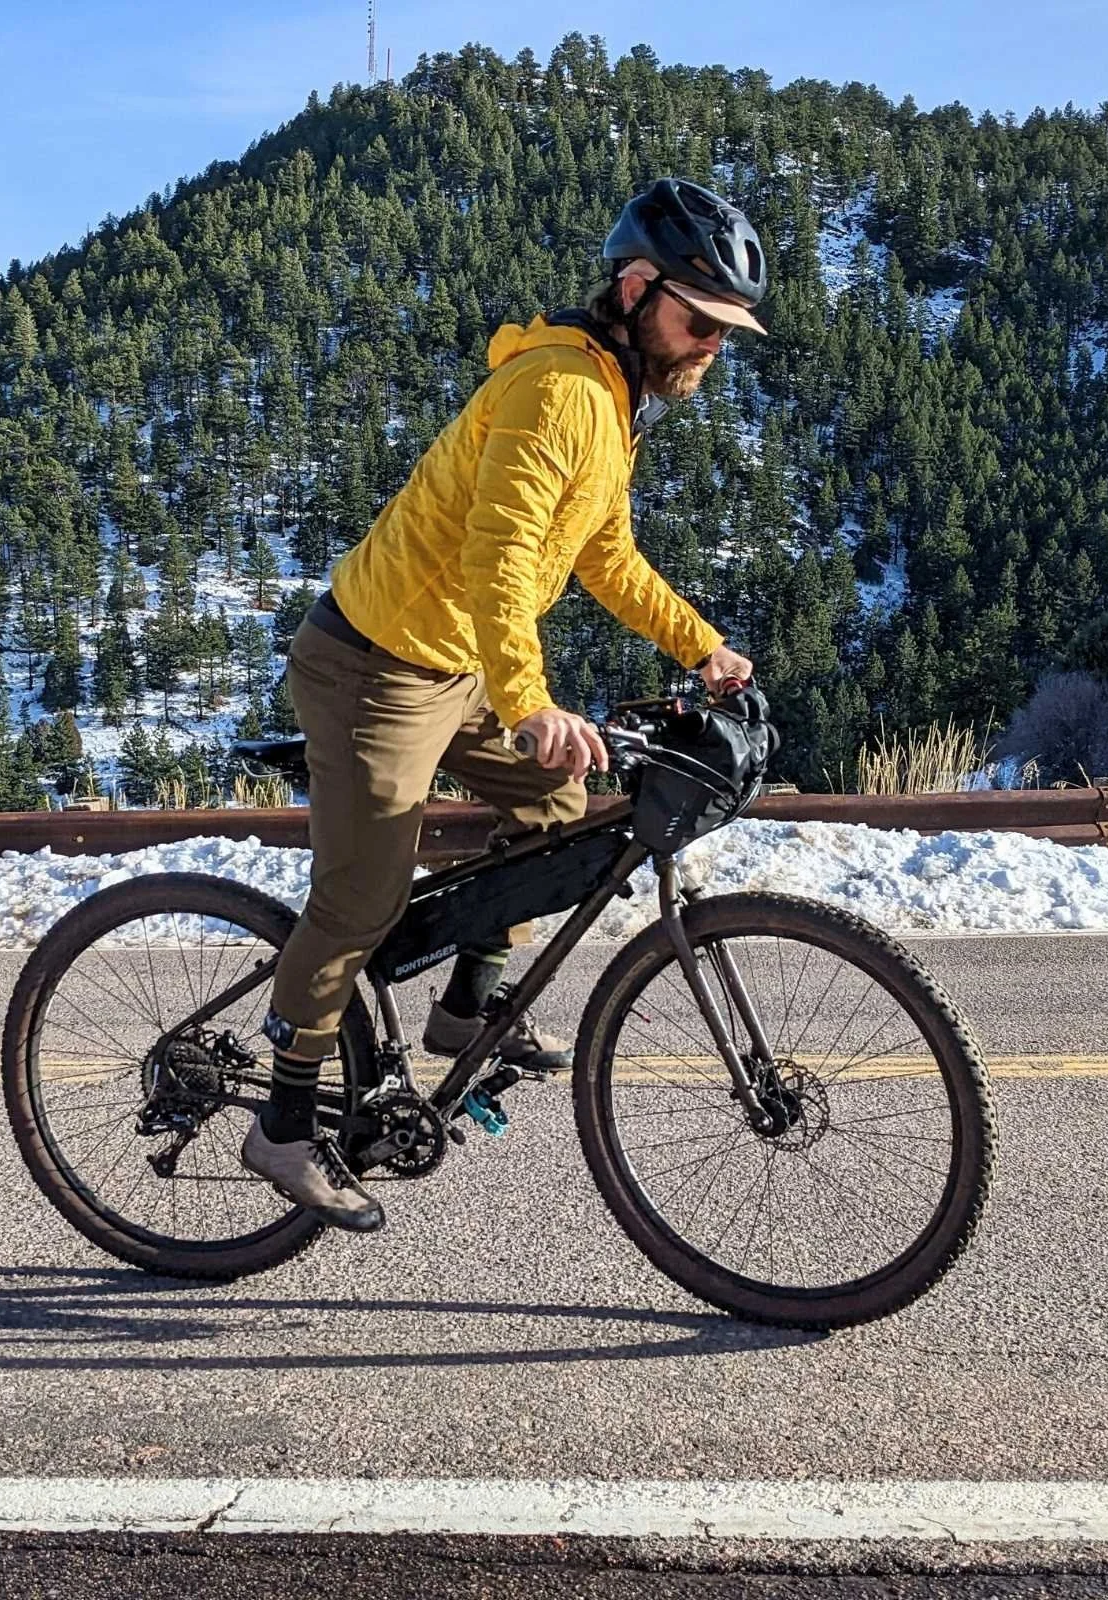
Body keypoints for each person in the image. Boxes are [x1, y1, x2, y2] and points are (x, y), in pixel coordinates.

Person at [242, 178, 768, 1230]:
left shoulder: (614, 401)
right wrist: (530, 704)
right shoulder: (559, 391)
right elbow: (504, 555)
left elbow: (602, 554)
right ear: (635, 287)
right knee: (361, 900)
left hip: (459, 664)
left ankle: (463, 1009)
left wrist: (700, 642)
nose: (711, 342)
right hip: (372, 666)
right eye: (697, 317)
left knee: (561, 811)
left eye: (725, 328)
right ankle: (285, 1123)